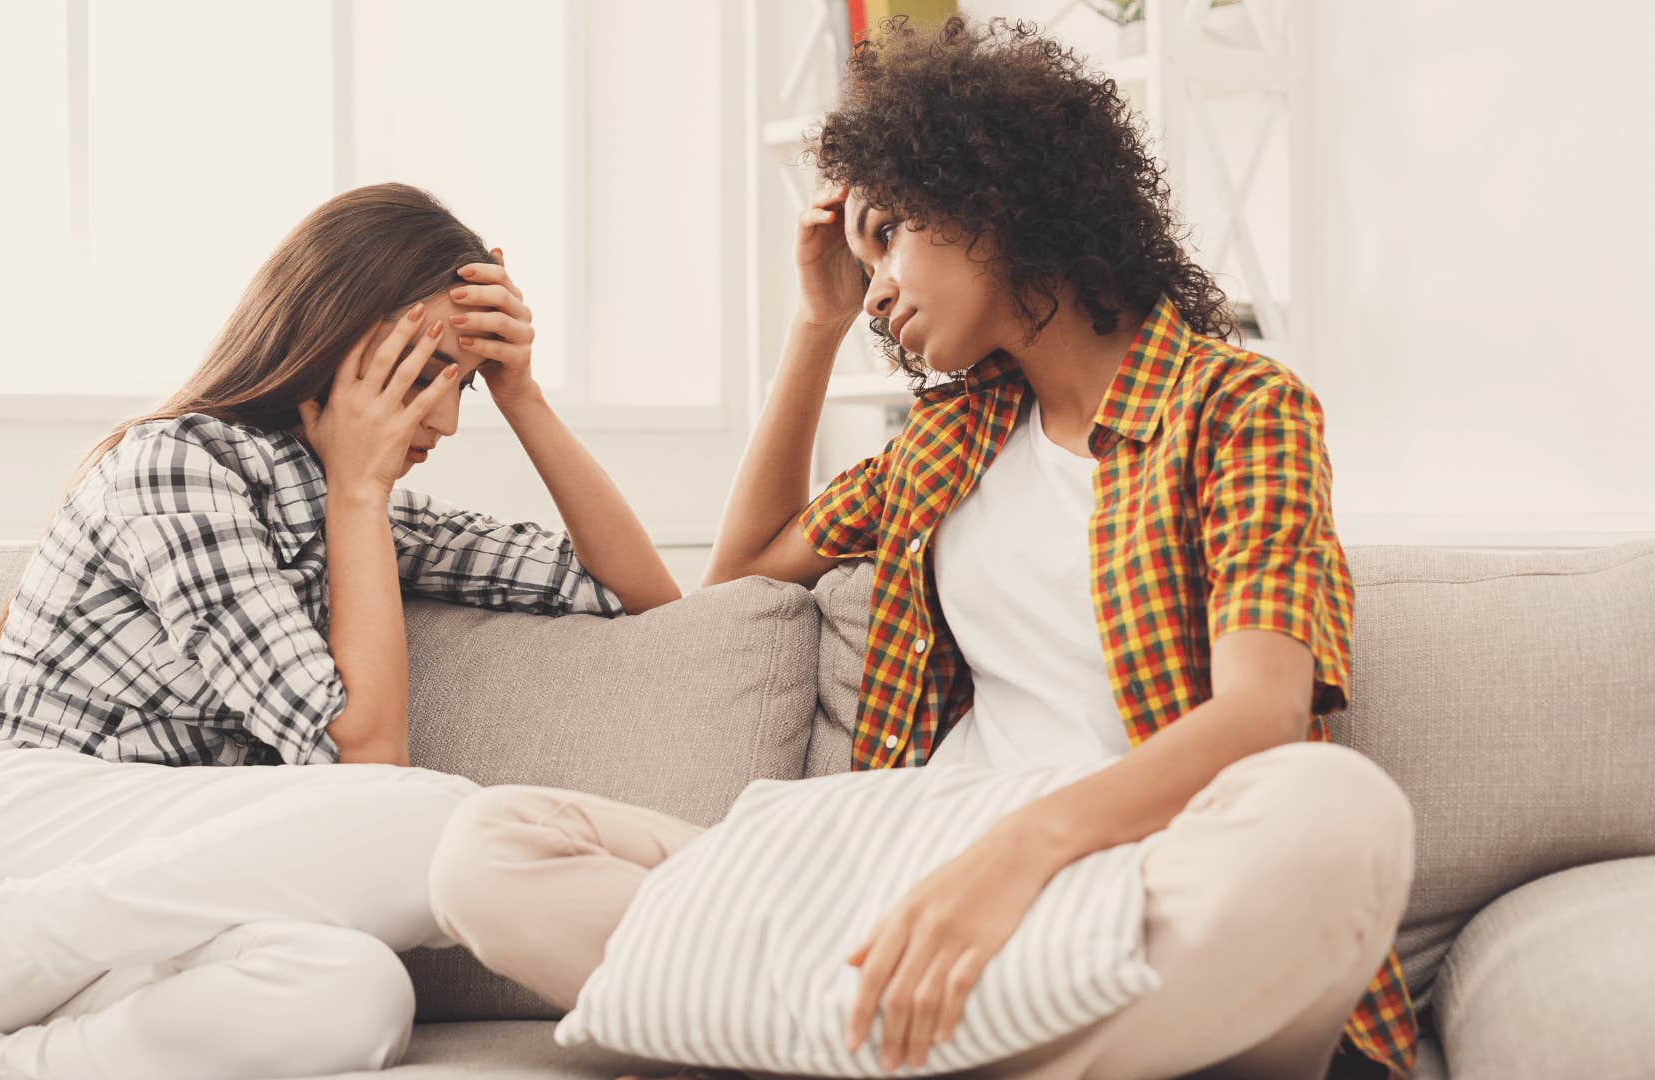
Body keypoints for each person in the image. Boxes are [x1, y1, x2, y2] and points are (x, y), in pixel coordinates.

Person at [428, 17, 1418, 1080]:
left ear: (994, 204)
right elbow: (742, 572)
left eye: (891, 235)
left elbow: (1262, 716)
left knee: (1339, 817)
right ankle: (932, 1026)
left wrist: (1018, 854)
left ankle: (843, 1028)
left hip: (1123, 871)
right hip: (914, 861)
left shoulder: (1236, 406)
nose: (879, 293)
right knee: (488, 852)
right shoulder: (953, 441)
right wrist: (814, 324)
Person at [0, 182, 681, 1080]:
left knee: (356, 995)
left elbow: (639, 594)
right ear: (334, 342)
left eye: (462, 384)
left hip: (132, 910)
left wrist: (524, 397)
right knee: (439, 817)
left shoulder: (370, 518)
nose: (444, 414)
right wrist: (359, 489)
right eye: (425, 372)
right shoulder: (176, 466)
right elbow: (369, 763)